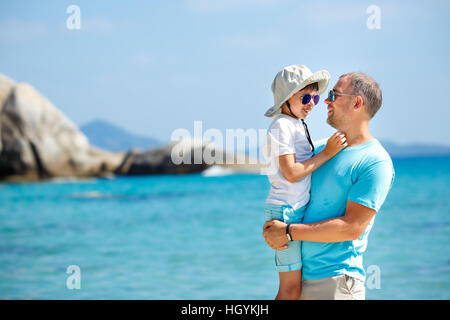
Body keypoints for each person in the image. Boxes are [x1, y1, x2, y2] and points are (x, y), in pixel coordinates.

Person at [263, 72, 395, 300]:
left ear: (357, 102)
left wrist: (286, 232)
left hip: (336, 284)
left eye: (334, 94)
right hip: (300, 279)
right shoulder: (322, 150)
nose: (324, 100)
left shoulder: (375, 161)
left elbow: (352, 227)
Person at [263, 65, 348, 300]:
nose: (312, 103)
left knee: (297, 287)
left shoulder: (296, 123)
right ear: (286, 99)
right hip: (286, 211)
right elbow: (290, 172)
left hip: (295, 209)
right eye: (306, 97)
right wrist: (328, 153)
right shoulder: (281, 125)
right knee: (290, 290)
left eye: (316, 97)